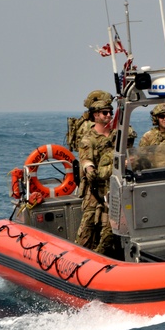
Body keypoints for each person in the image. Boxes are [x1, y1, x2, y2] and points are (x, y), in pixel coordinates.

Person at [75, 97, 117, 254]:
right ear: (96, 115)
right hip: (95, 189)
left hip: (115, 187)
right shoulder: (88, 139)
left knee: (112, 226)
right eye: (105, 113)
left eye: (110, 112)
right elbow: (87, 163)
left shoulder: (116, 136)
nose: (108, 116)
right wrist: (91, 169)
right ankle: (80, 254)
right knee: (89, 223)